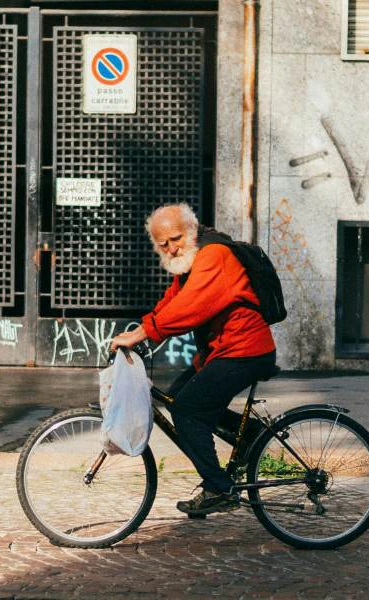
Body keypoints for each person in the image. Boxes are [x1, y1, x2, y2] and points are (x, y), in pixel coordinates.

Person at [110, 203, 276, 516]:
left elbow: (190, 307)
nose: (171, 249)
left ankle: (219, 488)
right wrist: (142, 331)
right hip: (224, 351)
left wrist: (143, 334)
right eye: (163, 244)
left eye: (176, 239)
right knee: (176, 398)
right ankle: (253, 434)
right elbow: (172, 302)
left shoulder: (215, 255)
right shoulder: (191, 263)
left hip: (245, 351)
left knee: (188, 411)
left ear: (192, 231)